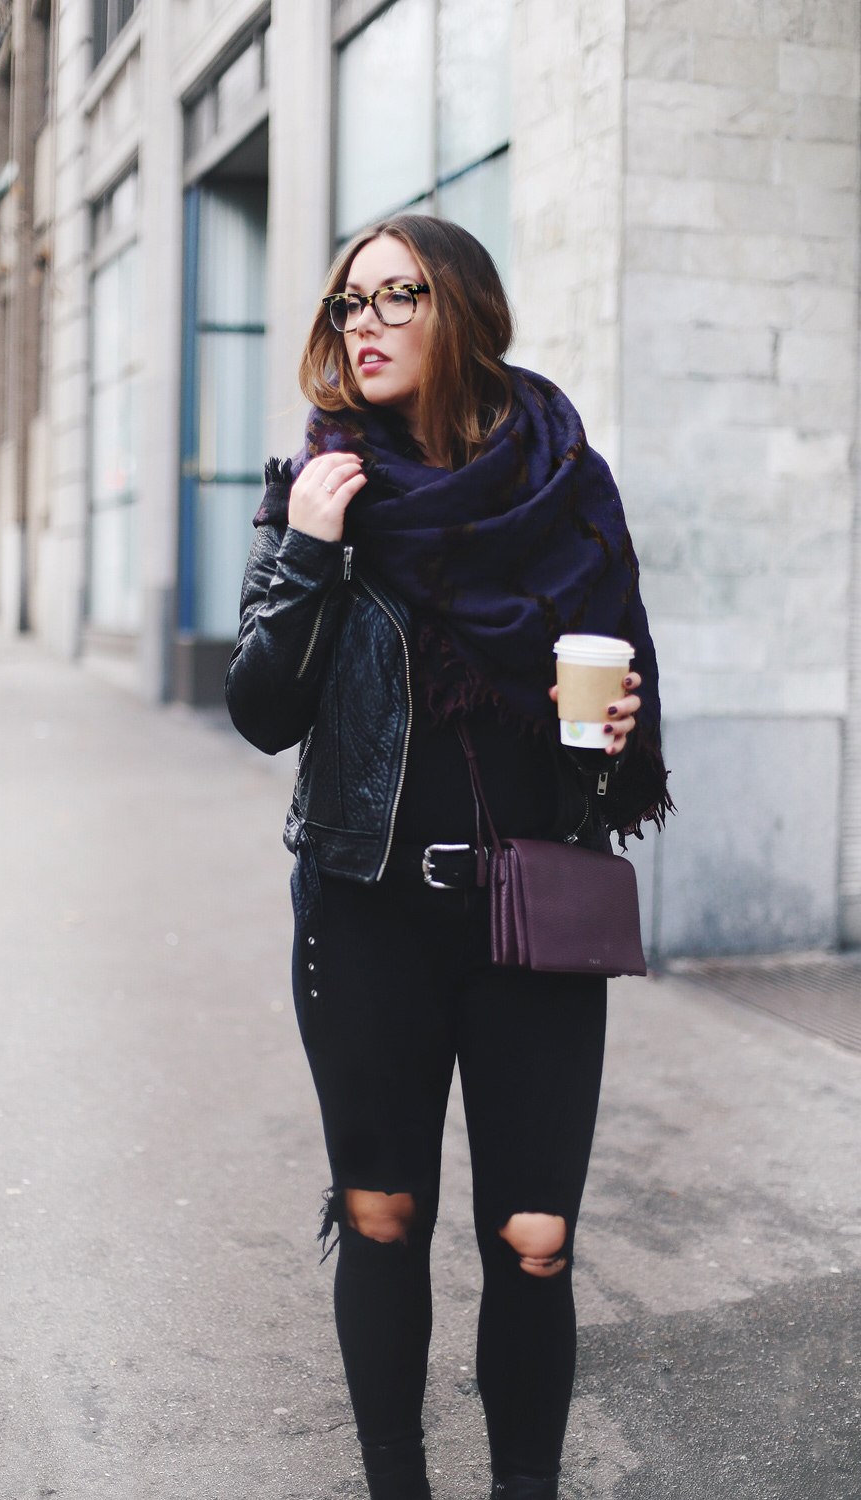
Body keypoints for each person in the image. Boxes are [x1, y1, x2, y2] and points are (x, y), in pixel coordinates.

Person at [226, 215, 670, 1500]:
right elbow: (261, 713)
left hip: (529, 912)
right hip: (367, 920)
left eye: (394, 294)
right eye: (345, 302)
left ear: (458, 307)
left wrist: (613, 739)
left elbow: (597, 726)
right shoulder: (316, 490)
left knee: (534, 1239)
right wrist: (311, 552)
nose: (361, 322)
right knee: (382, 1216)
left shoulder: (563, 479)